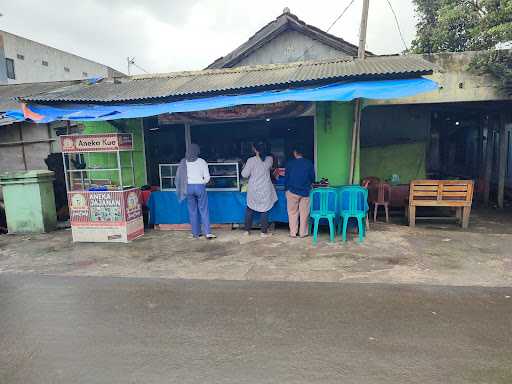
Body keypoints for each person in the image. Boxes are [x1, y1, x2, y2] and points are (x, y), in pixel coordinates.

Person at [175, 143, 216, 239]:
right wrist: (202, 182)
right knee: (204, 210)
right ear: (198, 151)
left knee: (192, 211)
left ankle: (195, 233)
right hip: (200, 187)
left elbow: (179, 178)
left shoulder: (184, 162)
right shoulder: (202, 162)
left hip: (188, 188)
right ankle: (207, 233)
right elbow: (207, 178)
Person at [241, 141, 277, 237]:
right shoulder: (269, 159)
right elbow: (270, 168)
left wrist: (244, 166)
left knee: (249, 208)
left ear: (254, 149)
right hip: (265, 188)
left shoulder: (251, 160)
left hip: (254, 188)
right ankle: (263, 232)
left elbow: (244, 175)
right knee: (265, 210)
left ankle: (246, 231)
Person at [285, 144, 315, 238]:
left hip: (292, 191)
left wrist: (287, 189)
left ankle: (293, 233)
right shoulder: (309, 163)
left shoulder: (290, 163)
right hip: (305, 191)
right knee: (304, 213)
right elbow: (312, 178)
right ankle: (303, 233)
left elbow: (287, 178)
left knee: (292, 213)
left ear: (295, 152)